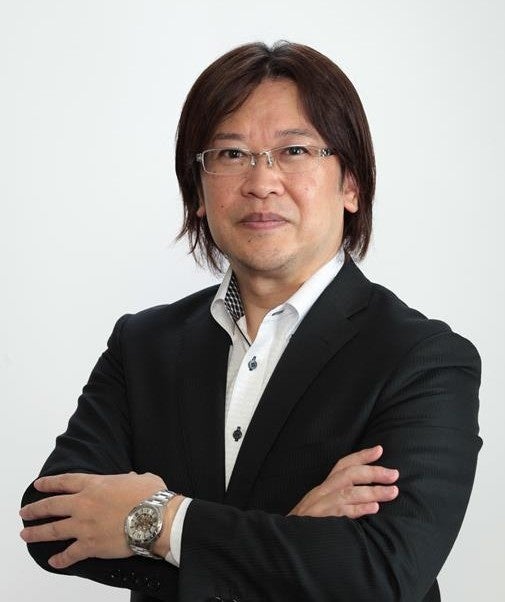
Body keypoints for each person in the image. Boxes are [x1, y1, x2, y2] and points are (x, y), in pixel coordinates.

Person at [20, 41, 481, 602]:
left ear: (352, 185)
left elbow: (381, 575)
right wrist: (295, 534)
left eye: (294, 150)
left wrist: (159, 522)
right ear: (197, 191)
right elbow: (49, 520)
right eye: (232, 154)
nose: (262, 183)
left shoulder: (424, 359)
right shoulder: (143, 345)